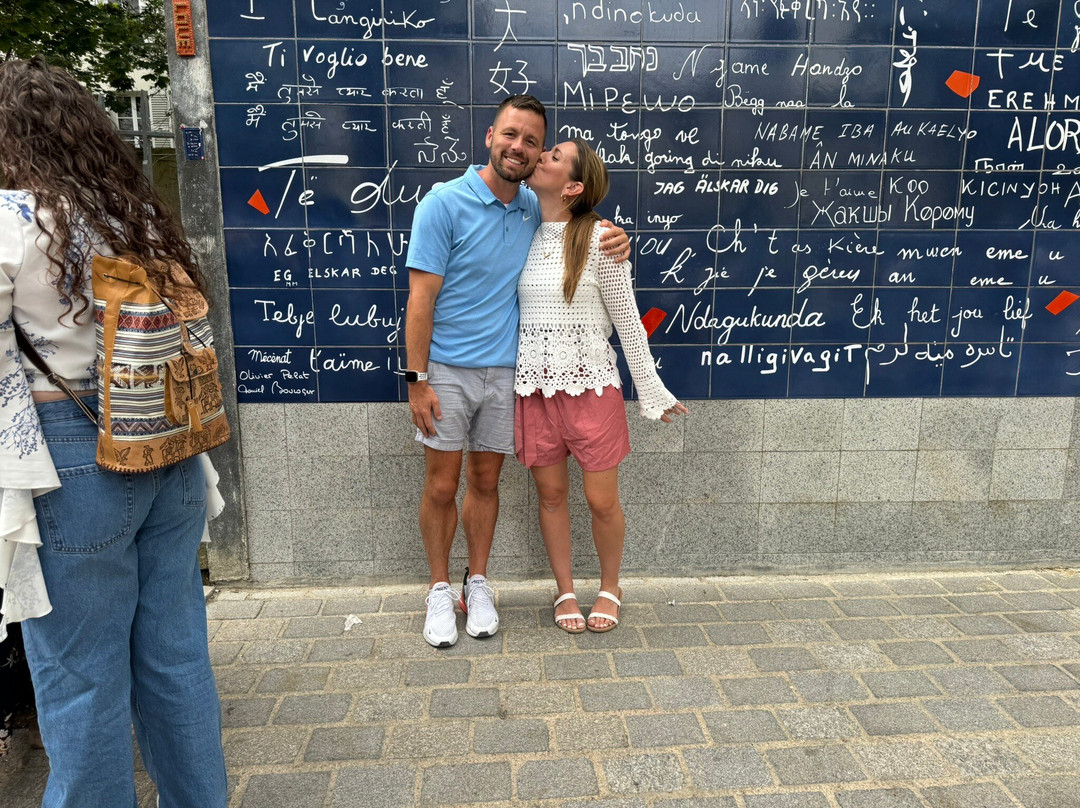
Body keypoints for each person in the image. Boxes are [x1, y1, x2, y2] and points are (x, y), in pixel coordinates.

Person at [0, 57, 227, 806]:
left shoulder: (10, 221)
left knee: (81, 680)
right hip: (168, 447)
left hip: (67, 456)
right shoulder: (134, 216)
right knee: (177, 660)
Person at [405, 95, 630, 648]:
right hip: (447, 371)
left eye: (533, 142)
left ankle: (477, 584)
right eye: (511, 134)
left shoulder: (535, 206)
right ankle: (439, 590)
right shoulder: (443, 203)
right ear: (490, 136)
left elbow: (577, 226)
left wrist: (616, 238)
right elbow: (420, 299)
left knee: (486, 482)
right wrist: (417, 379)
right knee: (441, 485)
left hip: (509, 373)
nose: (520, 147)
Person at [514, 139, 688, 633]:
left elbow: (629, 324)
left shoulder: (600, 241)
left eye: (552, 156)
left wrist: (651, 389)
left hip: (591, 388)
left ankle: (610, 587)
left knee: (601, 500)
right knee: (551, 496)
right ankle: (565, 590)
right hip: (535, 389)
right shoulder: (520, 227)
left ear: (572, 187)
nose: (539, 156)